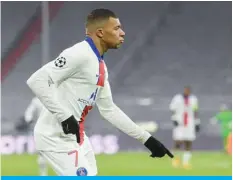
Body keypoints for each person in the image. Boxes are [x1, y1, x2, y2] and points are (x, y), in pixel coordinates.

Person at [26, 8, 173, 176]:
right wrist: (64, 116)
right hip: (55, 137)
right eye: (117, 28)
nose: (123, 33)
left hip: (77, 137)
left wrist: (147, 139)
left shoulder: (100, 66)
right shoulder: (79, 53)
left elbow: (109, 110)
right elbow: (36, 80)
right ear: (101, 33)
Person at [169, 86, 199, 169]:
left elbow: (195, 111)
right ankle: (175, 159)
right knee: (178, 142)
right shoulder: (177, 98)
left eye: (189, 91)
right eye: (186, 90)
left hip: (190, 123)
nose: (187, 92)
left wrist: (197, 122)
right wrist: (174, 118)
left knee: (188, 142)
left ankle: (186, 162)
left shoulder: (193, 99)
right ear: (184, 90)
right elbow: (172, 109)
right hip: (180, 122)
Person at [24, 97, 48, 176]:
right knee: (42, 152)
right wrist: (30, 120)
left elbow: (28, 113)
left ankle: (44, 174)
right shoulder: (36, 100)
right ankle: (43, 174)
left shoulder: (55, 97)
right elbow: (28, 113)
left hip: (53, 129)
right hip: (44, 129)